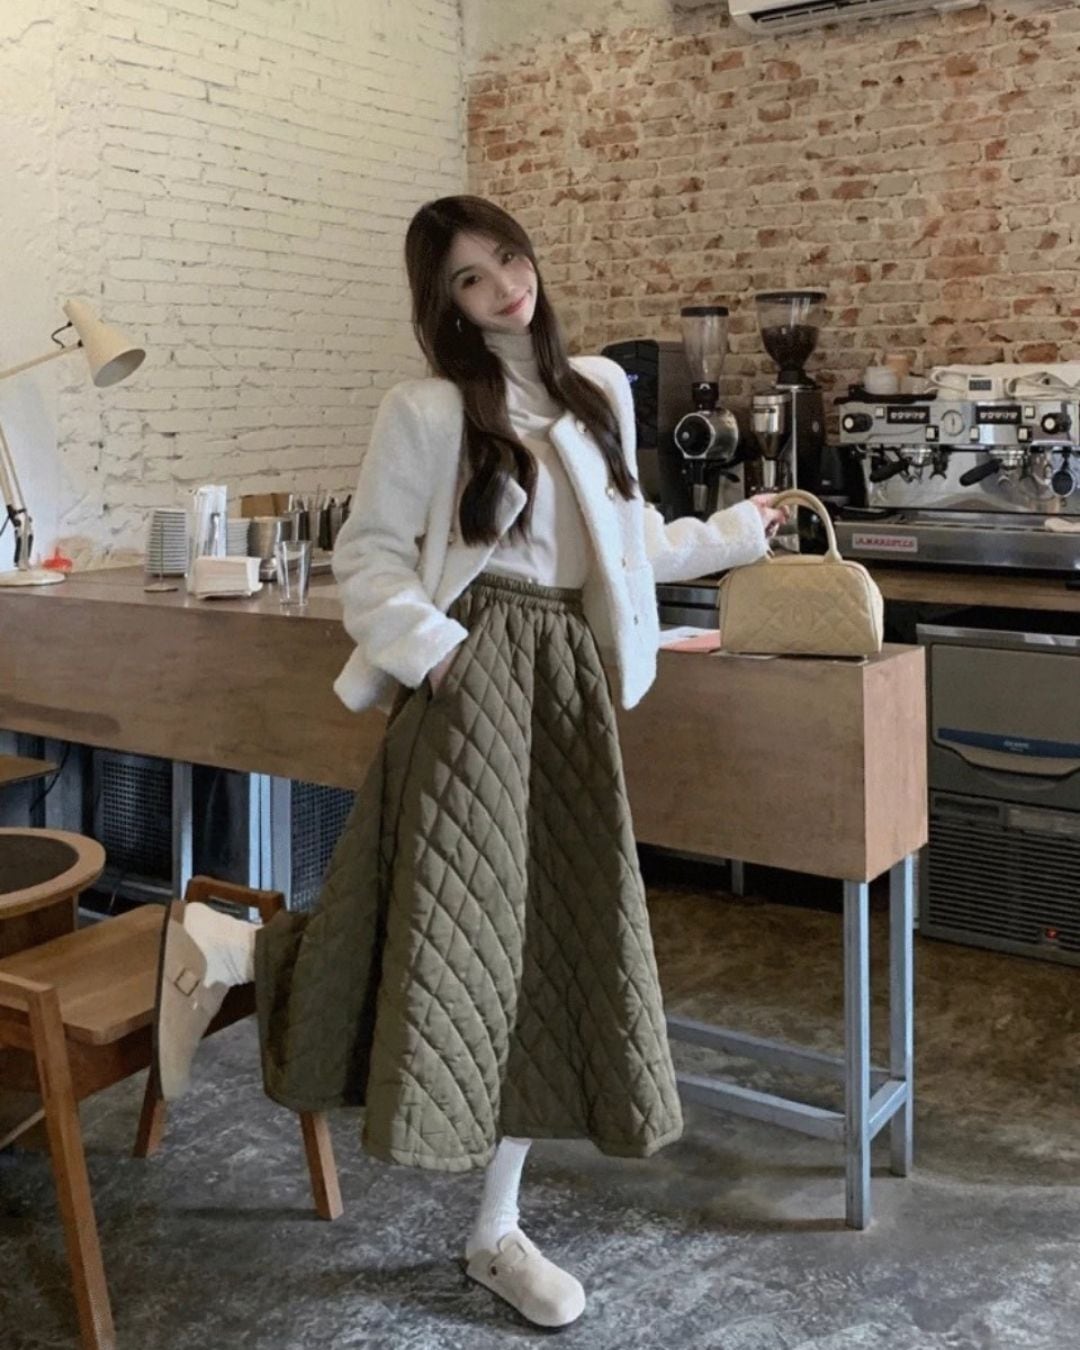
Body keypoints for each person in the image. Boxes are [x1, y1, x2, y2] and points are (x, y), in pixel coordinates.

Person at [154, 195, 787, 1331]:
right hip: (477, 665)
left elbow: (628, 545)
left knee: (551, 937)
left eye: (508, 259)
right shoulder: (430, 409)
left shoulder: (599, 390)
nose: (505, 287)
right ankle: (237, 954)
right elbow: (369, 557)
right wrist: (440, 654)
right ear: (444, 305)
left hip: (568, 681)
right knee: (459, 926)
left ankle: (491, 1225)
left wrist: (742, 531)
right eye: (470, 279)